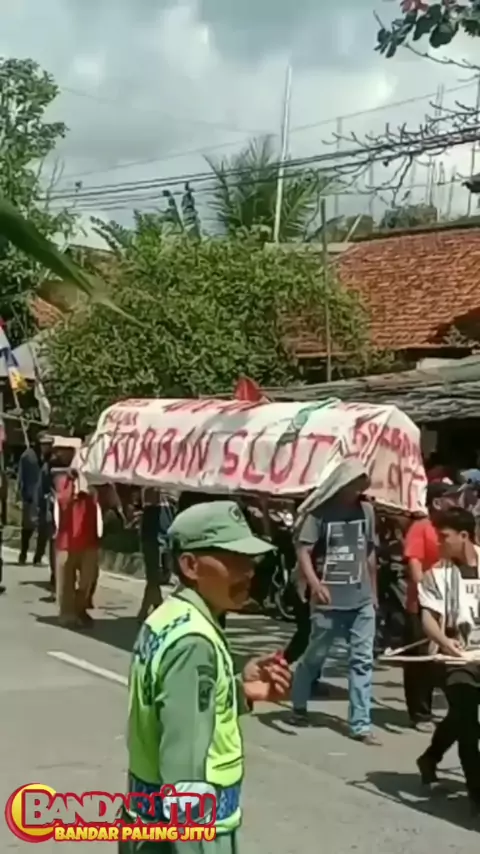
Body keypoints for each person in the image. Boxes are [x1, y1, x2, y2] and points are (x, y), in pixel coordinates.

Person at [120, 500, 291, 854]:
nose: (248, 572)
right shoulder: (194, 643)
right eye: (233, 560)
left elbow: (175, 710)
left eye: (249, 561)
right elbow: (183, 768)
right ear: (191, 565)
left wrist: (239, 691)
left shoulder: (169, 616)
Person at [290, 459, 380, 744]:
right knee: (315, 656)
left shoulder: (367, 511)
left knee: (362, 661)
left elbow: (369, 553)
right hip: (328, 601)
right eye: (354, 484)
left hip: (361, 600)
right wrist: (315, 584)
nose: (358, 490)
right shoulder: (319, 514)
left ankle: (360, 724)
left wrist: (374, 593)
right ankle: (299, 703)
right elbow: (303, 550)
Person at [415, 507, 480, 815]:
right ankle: (477, 793)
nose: (438, 543)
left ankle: (429, 757)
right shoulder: (436, 575)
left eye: (444, 537)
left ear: (464, 536)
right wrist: (444, 641)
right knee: (468, 724)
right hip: (454, 661)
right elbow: (428, 619)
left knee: (458, 717)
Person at [402, 482, 458, 731]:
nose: (456, 501)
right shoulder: (421, 528)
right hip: (423, 606)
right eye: (451, 497)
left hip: (451, 606)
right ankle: (420, 713)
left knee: (451, 658)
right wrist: (428, 595)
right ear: (436, 502)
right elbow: (415, 565)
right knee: (420, 662)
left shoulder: (454, 529)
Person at [54, 468, 102, 628]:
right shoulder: (63, 482)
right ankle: (67, 613)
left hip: (89, 541)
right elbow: (62, 500)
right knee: (66, 581)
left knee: (87, 579)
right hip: (66, 543)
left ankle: (80, 608)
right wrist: (72, 482)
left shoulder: (94, 484)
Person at [17, 431, 53, 565]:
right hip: (30, 497)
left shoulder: (51, 460)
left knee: (44, 529)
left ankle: (38, 556)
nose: (46, 446)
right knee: (27, 528)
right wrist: (22, 495)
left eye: (48, 444)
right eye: (44, 444)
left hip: (45, 498)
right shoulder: (27, 457)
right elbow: (21, 477)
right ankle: (23, 553)